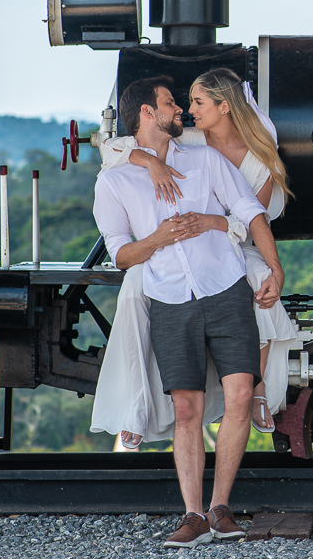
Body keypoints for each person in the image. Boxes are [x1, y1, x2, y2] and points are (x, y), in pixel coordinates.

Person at [92, 76, 283, 547]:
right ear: (146, 113)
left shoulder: (205, 159)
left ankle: (220, 508)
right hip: (170, 299)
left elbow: (250, 212)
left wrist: (275, 271)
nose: (179, 109)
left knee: (239, 394)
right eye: (169, 103)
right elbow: (120, 255)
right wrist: (159, 237)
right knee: (186, 410)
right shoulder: (113, 181)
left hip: (226, 288)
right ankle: (192, 514)